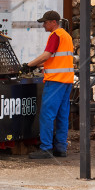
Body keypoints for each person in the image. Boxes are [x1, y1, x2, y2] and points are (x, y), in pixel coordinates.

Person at [21, 10, 74, 159]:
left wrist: (29, 64)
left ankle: (46, 148)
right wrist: (40, 66)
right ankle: (61, 148)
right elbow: (58, 59)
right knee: (62, 115)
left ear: (53, 22)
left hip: (55, 81)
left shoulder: (55, 35)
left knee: (47, 115)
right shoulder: (66, 36)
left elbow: (47, 54)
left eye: (45, 22)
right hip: (66, 81)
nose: (44, 25)